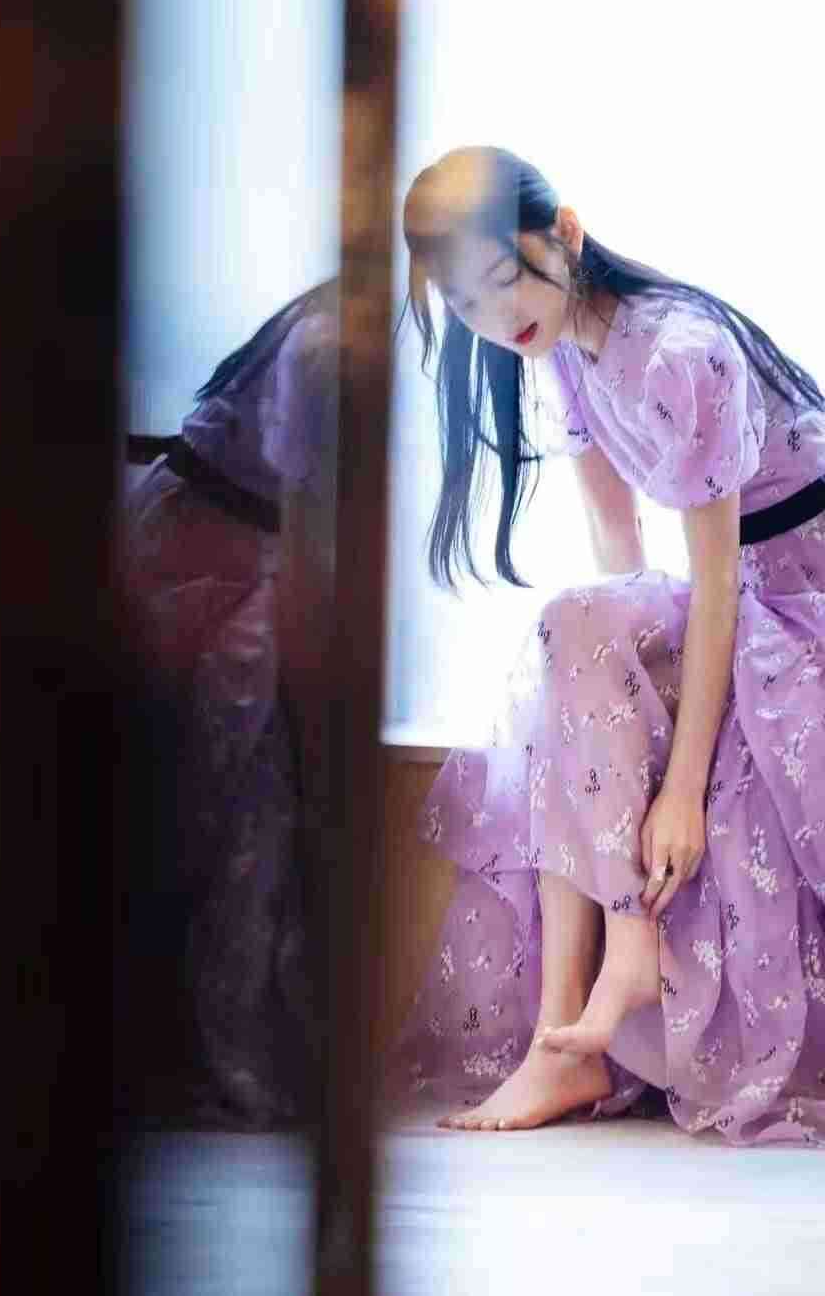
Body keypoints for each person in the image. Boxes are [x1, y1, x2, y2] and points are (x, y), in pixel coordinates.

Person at [390, 145, 825, 1145]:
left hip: (800, 597)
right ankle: (566, 1036)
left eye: (505, 277)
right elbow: (621, 571)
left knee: (577, 637)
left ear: (568, 233)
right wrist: (618, 722)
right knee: (570, 644)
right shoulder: (566, 355)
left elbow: (715, 583)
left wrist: (680, 788)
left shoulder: (678, 351)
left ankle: (600, 996)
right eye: (467, 305)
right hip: (745, 597)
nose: (497, 318)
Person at [124, 279, 340, 1128]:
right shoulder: (328, 342)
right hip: (205, 559)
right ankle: (210, 1066)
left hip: (209, 547)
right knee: (224, 817)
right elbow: (311, 528)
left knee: (239, 818)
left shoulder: (323, 329)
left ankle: (216, 1066)